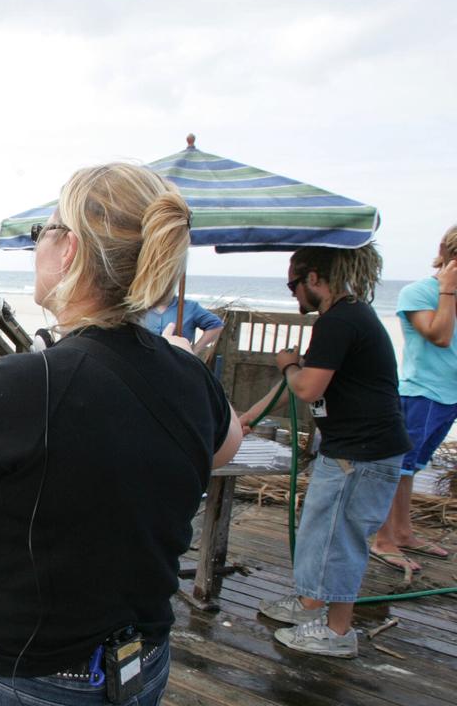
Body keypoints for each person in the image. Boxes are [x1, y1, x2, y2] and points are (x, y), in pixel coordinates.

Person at [0, 163, 242, 705]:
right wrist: (182, 360)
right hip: (140, 664)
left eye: (41, 232)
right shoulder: (187, 376)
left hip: (29, 677)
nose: (37, 247)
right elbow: (226, 443)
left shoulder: (26, 385)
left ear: (68, 249)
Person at [242, 244, 411, 659]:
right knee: (321, 531)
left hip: (363, 455)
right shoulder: (345, 318)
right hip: (352, 451)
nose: (293, 295)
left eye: (293, 285)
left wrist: (286, 363)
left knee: (340, 539)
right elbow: (299, 388)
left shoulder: (340, 321)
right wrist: (246, 417)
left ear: (314, 278)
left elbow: (306, 387)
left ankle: (337, 633)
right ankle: (310, 605)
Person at [371, 226, 457, 570]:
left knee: (413, 469)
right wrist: (447, 290)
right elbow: (438, 335)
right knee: (396, 468)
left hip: (449, 396)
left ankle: (403, 532)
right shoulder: (419, 292)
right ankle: (383, 539)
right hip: (422, 392)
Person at [142, 295, 224, 355]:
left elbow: (215, 325)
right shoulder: (138, 307)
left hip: (177, 364)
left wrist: (193, 351)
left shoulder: (190, 307)